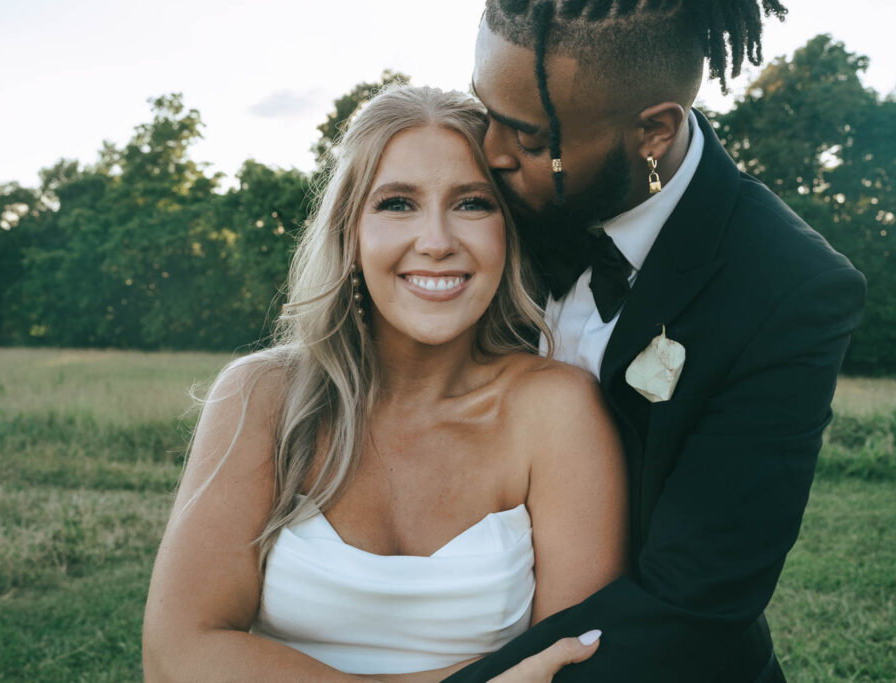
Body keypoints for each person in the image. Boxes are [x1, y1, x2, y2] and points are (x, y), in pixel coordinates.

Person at [440, 1, 867, 681]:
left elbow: (692, 603)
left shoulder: (788, 290)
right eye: (484, 109)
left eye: (525, 136)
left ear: (654, 131)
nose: (489, 152)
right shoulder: (481, 202)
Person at [142, 85, 628, 681]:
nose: (436, 241)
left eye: (472, 203)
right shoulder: (261, 396)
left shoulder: (557, 410)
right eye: (398, 203)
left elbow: (575, 660)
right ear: (351, 232)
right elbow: (176, 656)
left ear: (509, 229)